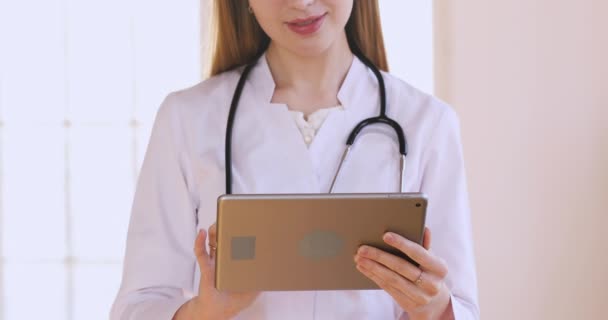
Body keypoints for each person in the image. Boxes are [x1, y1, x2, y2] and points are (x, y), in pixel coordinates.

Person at [110, 1, 479, 319]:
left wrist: (434, 307)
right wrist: (206, 311)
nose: (301, 3)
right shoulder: (188, 118)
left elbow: (460, 307)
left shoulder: (427, 122)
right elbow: (137, 307)